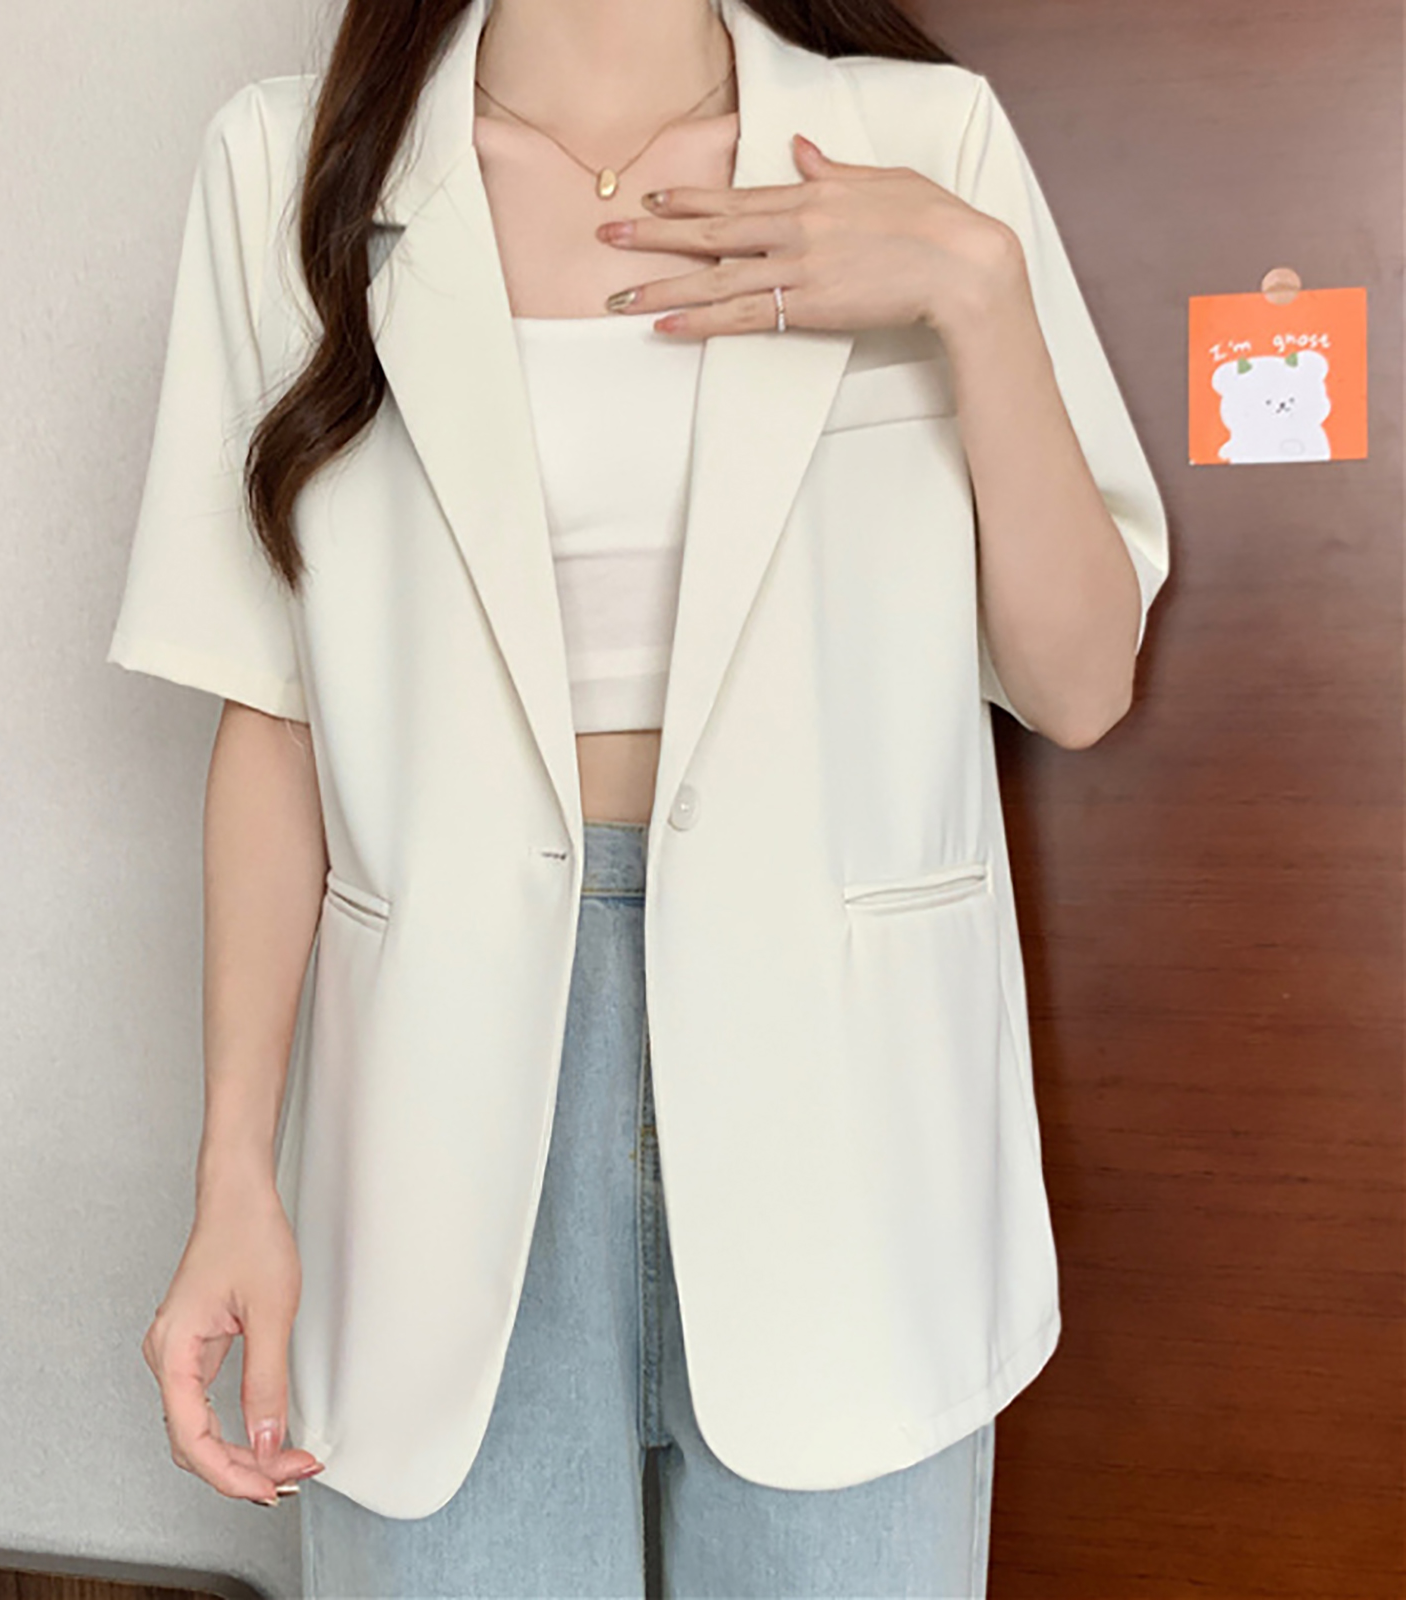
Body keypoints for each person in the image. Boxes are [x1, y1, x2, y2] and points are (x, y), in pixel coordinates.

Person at [110, 0, 1169, 1591]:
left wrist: (974, 287)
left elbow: (1080, 687)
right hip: (435, 1115)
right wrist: (234, 1175)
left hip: (851, 1120)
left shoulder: (920, 144)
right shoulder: (288, 165)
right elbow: (271, 715)